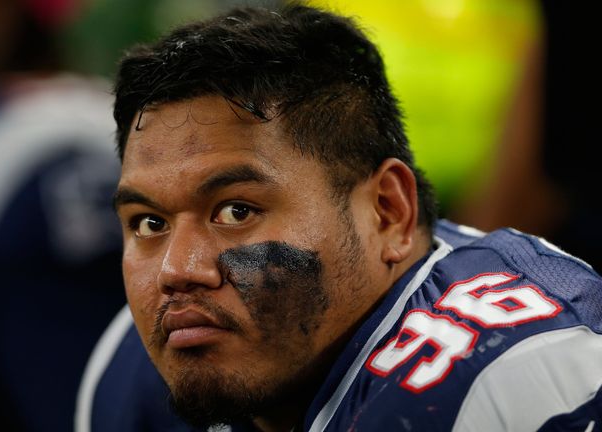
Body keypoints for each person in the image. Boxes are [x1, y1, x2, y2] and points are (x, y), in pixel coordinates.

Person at [77, 5, 602, 432]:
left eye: (236, 212)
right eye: (149, 223)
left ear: (388, 212)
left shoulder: (511, 381)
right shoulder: (135, 366)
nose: (177, 270)